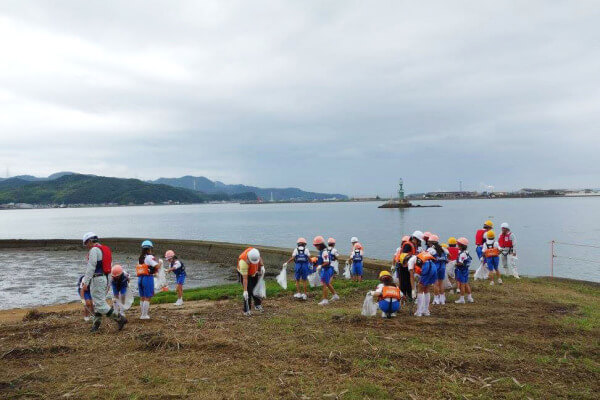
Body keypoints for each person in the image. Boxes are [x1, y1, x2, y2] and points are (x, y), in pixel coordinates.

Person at [81, 232, 127, 332]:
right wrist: (108, 282)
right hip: (104, 277)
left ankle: (119, 318)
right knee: (98, 303)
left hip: (97, 278)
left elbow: (91, 267)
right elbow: (109, 267)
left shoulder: (94, 250)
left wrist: (86, 282)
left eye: (86, 243)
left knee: (100, 304)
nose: (86, 246)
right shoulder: (105, 249)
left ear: (90, 241)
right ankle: (96, 324)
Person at [136, 240, 162, 319]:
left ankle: (142, 314)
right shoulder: (150, 257)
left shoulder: (140, 258)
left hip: (140, 278)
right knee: (148, 296)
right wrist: (160, 262)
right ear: (149, 248)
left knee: (142, 296)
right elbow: (157, 266)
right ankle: (144, 315)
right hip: (147, 278)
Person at [237, 247, 265, 316]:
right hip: (245, 275)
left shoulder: (255, 252)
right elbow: (245, 279)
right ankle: (247, 310)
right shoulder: (243, 262)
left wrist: (262, 266)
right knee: (249, 292)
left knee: (256, 289)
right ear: (248, 258)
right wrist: (245, 290)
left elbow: (260, 258)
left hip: (254, 272)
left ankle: (257, 305)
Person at [313, 236, 339, 305]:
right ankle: (335, 295)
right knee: (327, 283)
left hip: (327, 269)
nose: (315, 247)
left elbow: (327, 262)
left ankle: (325, 300)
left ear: (320, 245)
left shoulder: (324, 252)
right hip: (327, 269)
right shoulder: (323, 251)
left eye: (316, 245)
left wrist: (320, 266)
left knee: (324, 284)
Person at [413, 251, 437, 317]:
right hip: (433, 267)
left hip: (427, 268)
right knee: (426, 289)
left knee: (420, 289)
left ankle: (419, 312)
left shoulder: (415, 258)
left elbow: (416, 270)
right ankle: (426, 311)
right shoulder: (426, 256)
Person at [428, 235, 448, 305]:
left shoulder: (431, 249)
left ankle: (436, 299)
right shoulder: (443, 248)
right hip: (442, 267)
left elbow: (426, 256)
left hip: (435, 267)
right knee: (441, 283)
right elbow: (448, 254)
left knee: (435, 284)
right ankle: (442, 299)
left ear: (431, 242)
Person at [454, 237, 474, 304]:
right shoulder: (466, 252)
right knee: (466, 283)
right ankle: (469, 298)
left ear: (461, 245)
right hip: (466, 270)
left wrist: (455, 264)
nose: (457, 246)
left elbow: (460, 263)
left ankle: (462, 299)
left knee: (462, 284)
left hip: (461, 270)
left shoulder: (462, 254)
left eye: (458, 245)